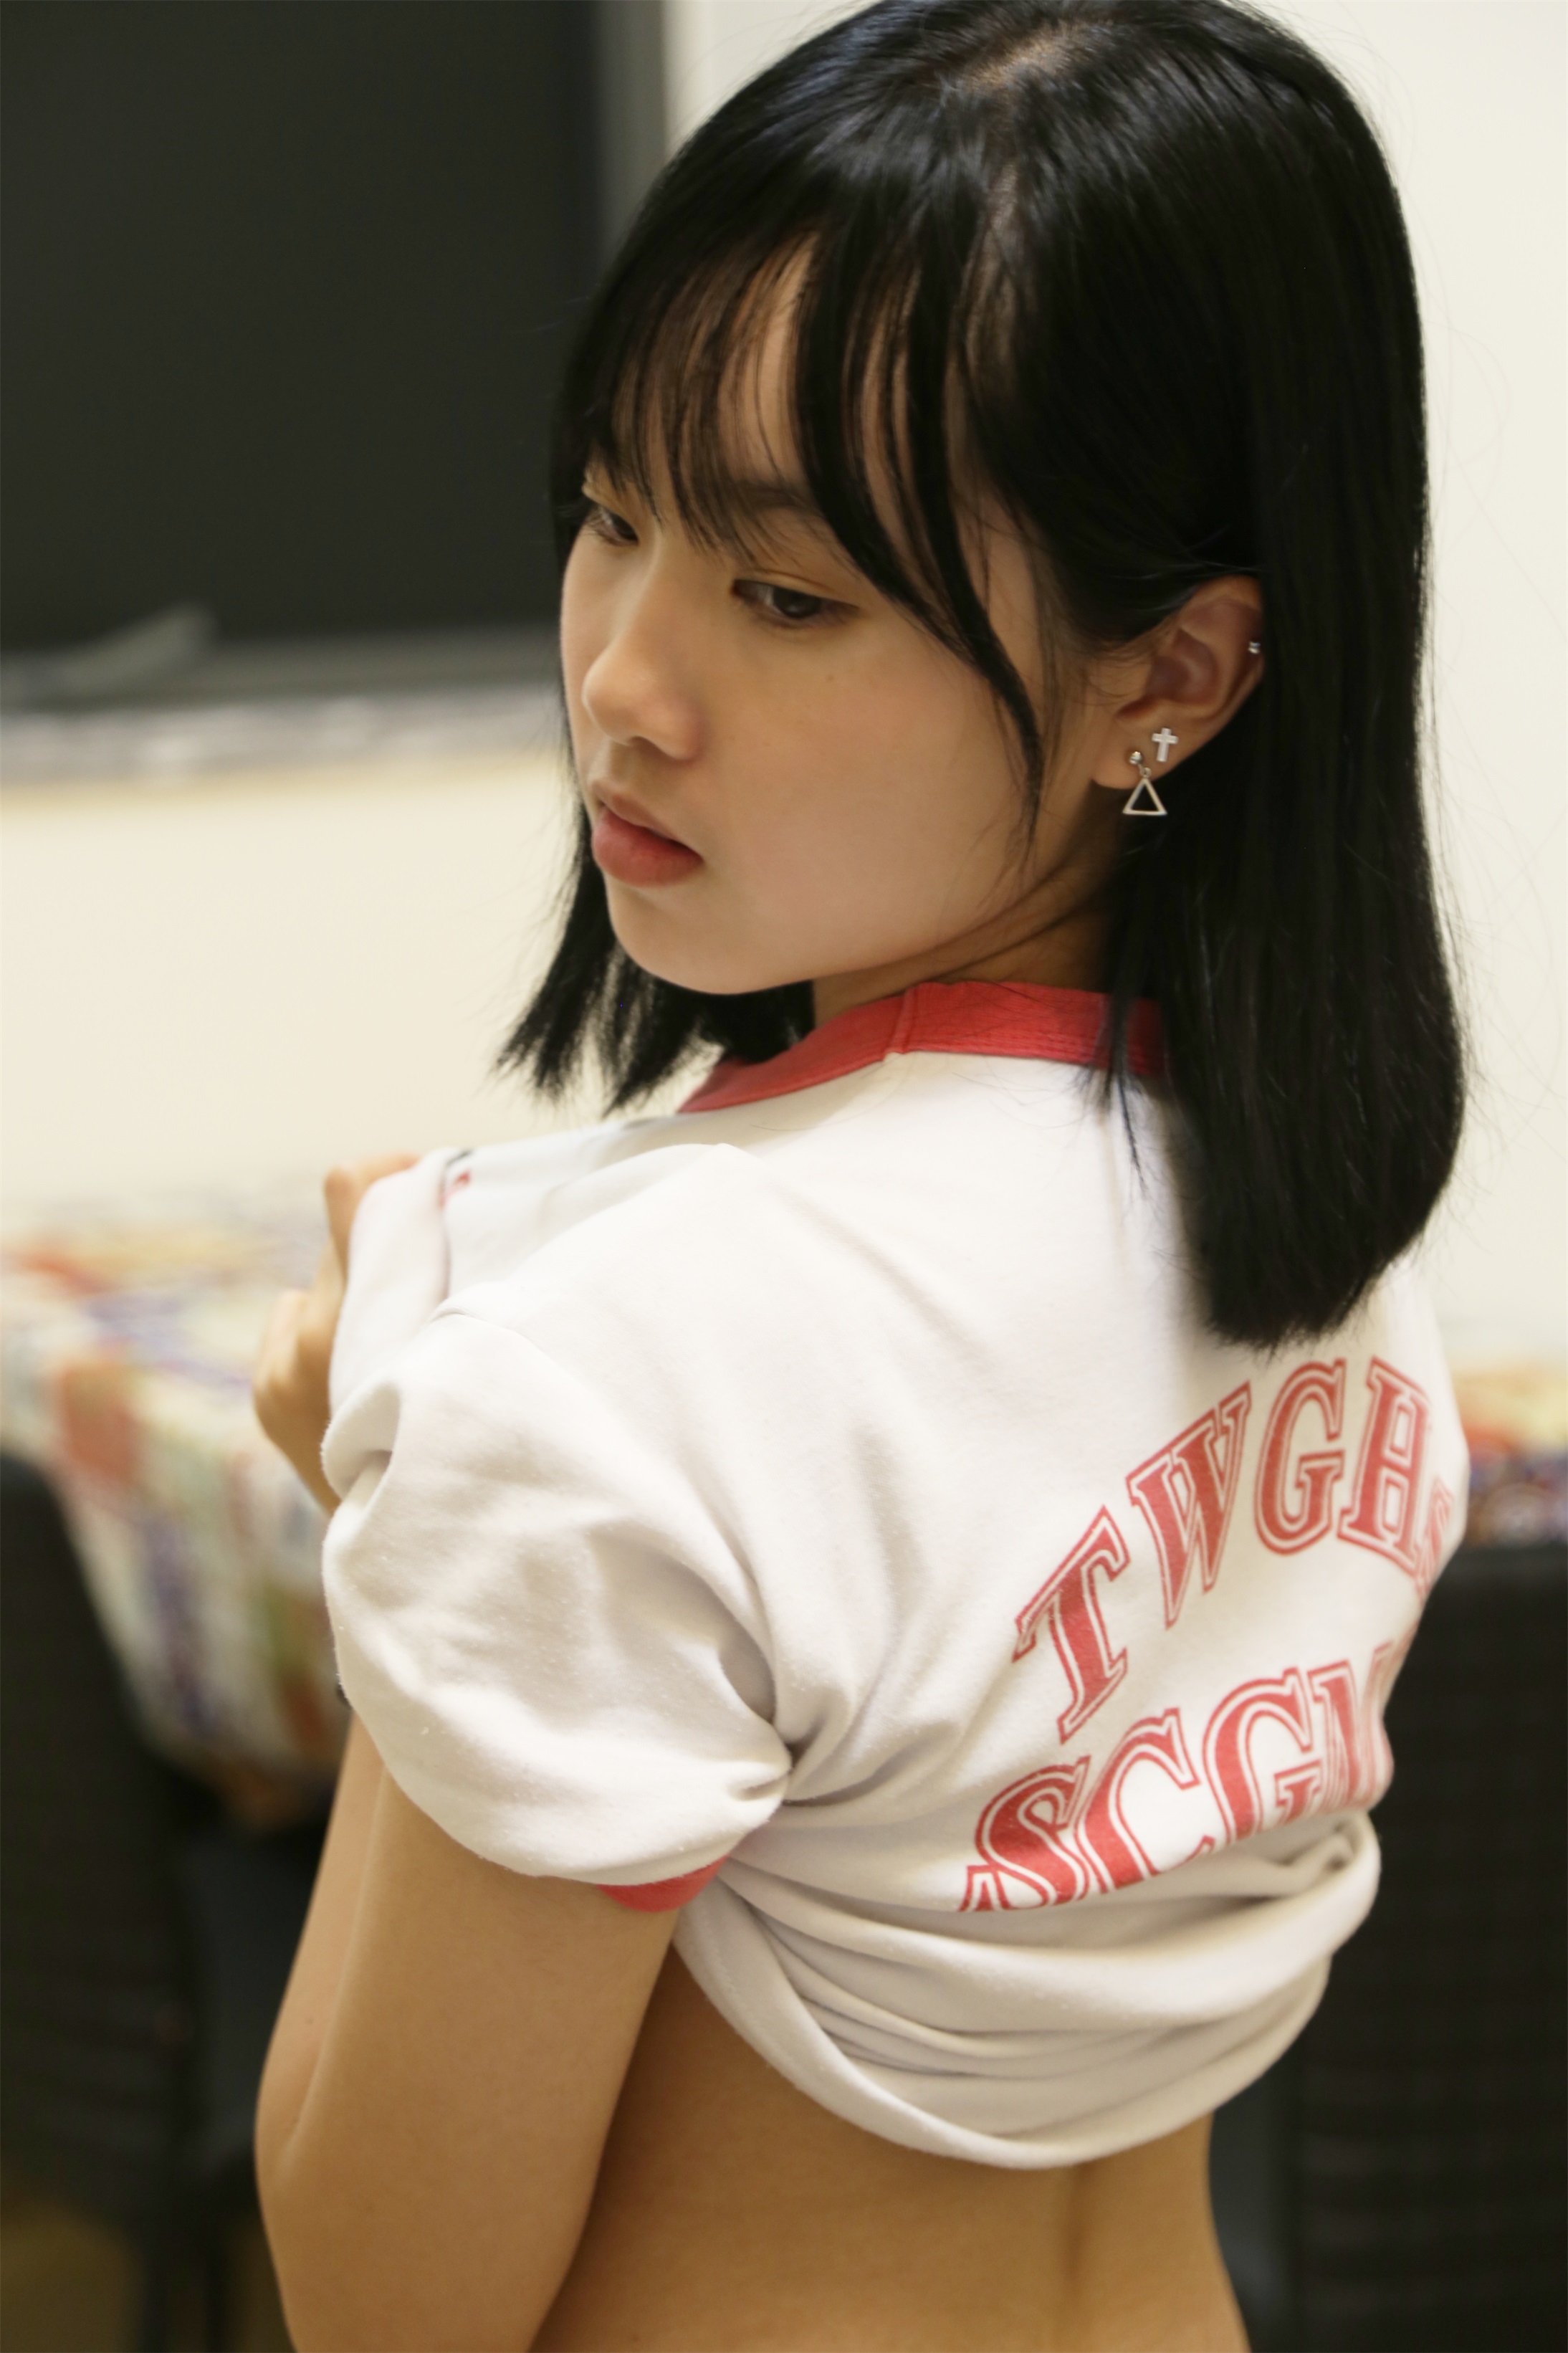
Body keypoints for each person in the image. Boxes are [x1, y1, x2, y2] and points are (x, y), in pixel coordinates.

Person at [252, 1, 1471, 2344]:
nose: (623, 679)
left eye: (786, 594)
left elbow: (385, 2294)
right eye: (611, 514)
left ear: (1171, 674)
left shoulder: (593, 1361)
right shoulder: (1334, 1269)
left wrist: (404, 1521)